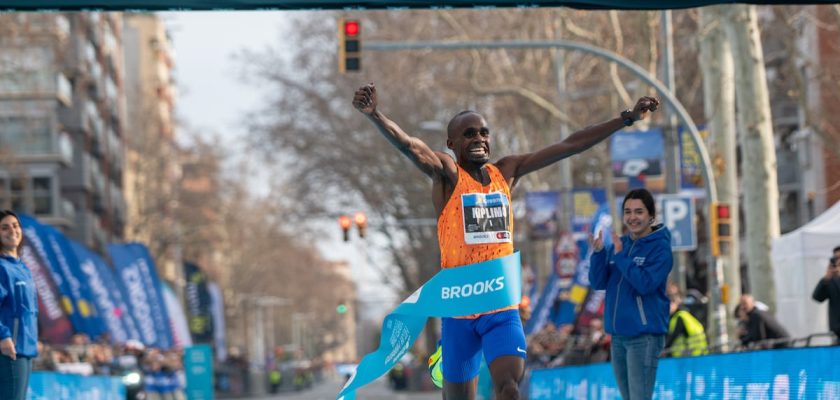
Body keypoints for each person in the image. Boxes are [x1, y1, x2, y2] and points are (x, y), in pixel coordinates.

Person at [353, 83, 659, 400]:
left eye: (484, 133)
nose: (479, 139)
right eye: (469, 134)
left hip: (500, 306)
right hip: (459, 311)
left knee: (509, 387)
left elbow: (571, 144)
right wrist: (376, 115)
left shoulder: (507, 171)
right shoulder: (448, 175)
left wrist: (626, 118)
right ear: (451, 143)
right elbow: (410, 147)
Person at [589, 188, 673, 400]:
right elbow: (599, 282)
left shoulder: (660, 249)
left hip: (644, 338)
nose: (632, 217)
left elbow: (645, 284)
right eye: (628, 212)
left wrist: (621, 258)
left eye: (639, 212)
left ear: (651, 215)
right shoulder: (621, 244)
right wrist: (599, 253)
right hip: (617, 337)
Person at [0, 210, 38, 400]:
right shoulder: (1, 267)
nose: (11, 231)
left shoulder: (23, 268)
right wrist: (3, 336)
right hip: (9, 348)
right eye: (4, 228)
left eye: (15, 226)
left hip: (26, 347)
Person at [665, 291, 708, 357]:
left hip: (690, 356)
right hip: (699, 354)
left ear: (674, 304)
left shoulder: (680, 317)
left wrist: (663, 349)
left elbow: (672, 337)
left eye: (669, 305)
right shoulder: (684, 315)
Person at [812, 246, 840, 343]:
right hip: (837, 332)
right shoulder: (831, 280)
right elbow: (817, 297)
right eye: (835, 258)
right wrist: (826, 279)